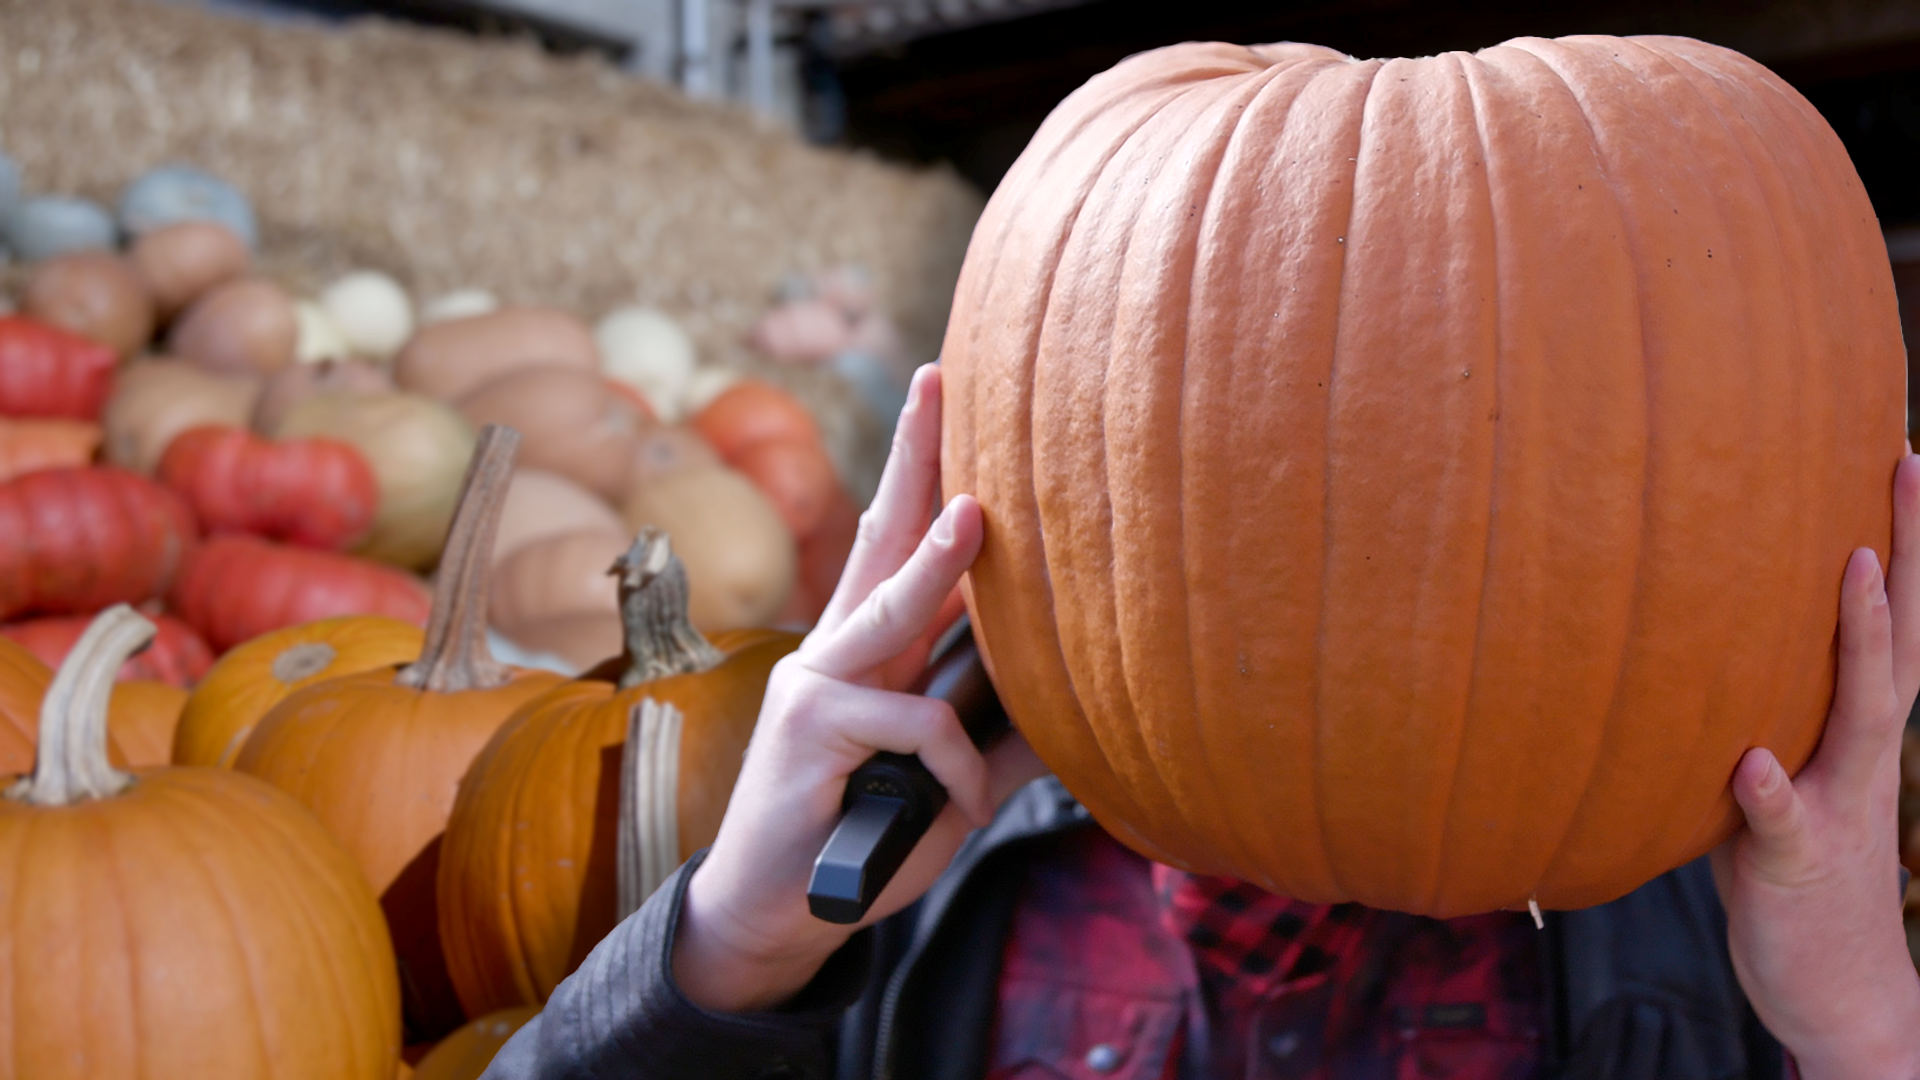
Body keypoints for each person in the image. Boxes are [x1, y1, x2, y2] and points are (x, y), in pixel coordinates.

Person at [483, 365, 1920, 1080]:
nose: (1360, 554)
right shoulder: (927, 899)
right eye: (1256, 455)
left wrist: (1862, 1029)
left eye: (1465, 481)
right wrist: (732, 942)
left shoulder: (1703, 930)